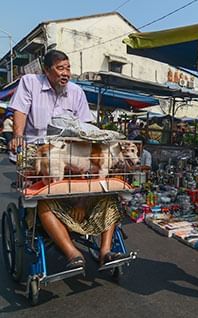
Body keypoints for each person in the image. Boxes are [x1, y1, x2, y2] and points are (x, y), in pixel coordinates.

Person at [9, 49, 123, 269]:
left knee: (108, 193)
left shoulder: (76, 91)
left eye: (68, 68)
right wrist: (18, 136)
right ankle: (72, 253)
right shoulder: (30, 82)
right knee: (45, 198)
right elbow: (20, 111)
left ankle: (106, 251)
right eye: (60, 68)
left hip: (73, 152)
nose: (66, 73)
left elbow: (86, 128)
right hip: (40, 148)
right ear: (46, 70)